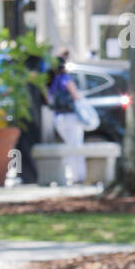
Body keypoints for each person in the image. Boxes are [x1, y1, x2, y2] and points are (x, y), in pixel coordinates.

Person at [47, 51, 85, 185]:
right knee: (76, 146)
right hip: (70, 116)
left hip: (58, 117)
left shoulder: (53, 82)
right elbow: (76, 96)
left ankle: (73, 175)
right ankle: (78, 176)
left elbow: (48, 99)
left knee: (69, 146)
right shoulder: (66, 79)